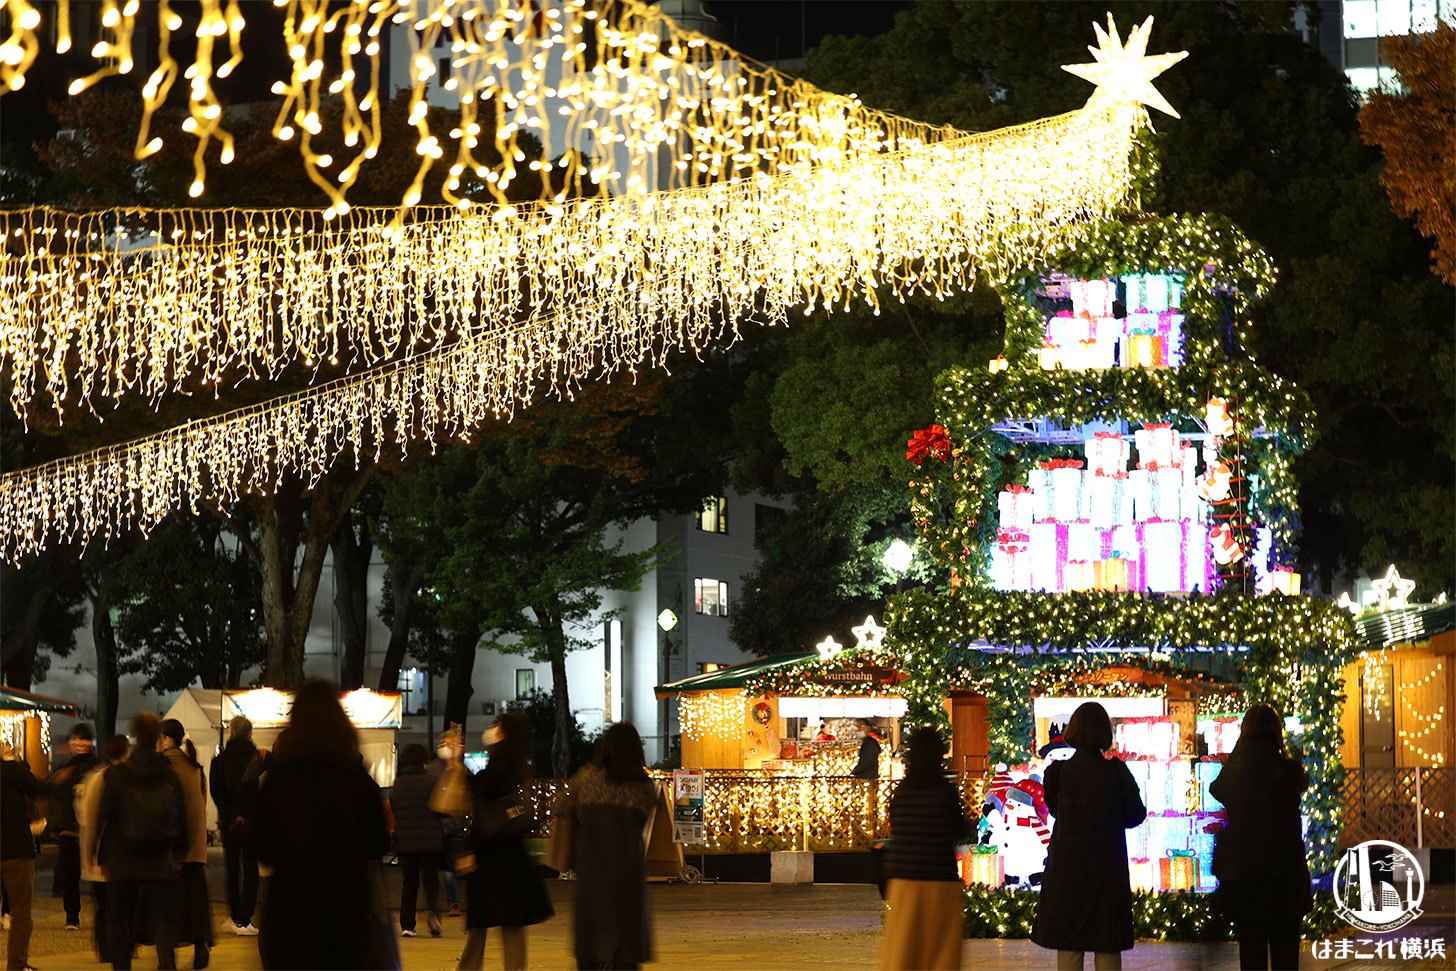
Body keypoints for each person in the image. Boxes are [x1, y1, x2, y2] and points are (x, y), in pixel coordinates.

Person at [250, 680, 391, 970]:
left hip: (291, 911)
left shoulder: (281, 779)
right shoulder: (355, 779)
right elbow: (379, 842)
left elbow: (262, 846)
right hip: (347, 911)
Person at [1032, 701, 1146, 971]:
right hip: (1107, 869)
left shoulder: (1057, 773)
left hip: (1067, 868)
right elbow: (1135, 815)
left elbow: (1057, 811)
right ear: (1104, 733)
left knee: (1070, 943)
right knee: (1106, 941)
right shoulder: (1117, 772)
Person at [1210, 704, 1311, 971]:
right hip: (1285, 877)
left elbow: (1216, 787)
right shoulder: (1289, 772)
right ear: (1277, 733)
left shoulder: (1236, 773)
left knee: (1252, 957)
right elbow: (1302, 783)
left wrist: (1237, 750)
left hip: (1248, 878)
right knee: (1286, 956)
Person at [554, 721, 658, 971]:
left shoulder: (586, 780)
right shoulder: (644, 787)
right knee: (625, 951)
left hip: (591, 873)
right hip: (628, 876)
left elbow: (559, 807)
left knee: (590, 946)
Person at [457, 712, 553, 971]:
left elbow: (480, 802)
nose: (490, 730)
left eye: (495, 726)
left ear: (503, 735)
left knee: (480, 928)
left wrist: (468, 850)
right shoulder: (513, 766)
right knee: (511, 929)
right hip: (512, 860)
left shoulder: (498, 768)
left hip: (490, 860)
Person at [98, 711, 189, 971]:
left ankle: (122, 967)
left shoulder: (118, 774)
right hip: (159, 855)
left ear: (134, 736)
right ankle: (167, 964)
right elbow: (179, 814)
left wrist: (101, 855)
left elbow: (106, 815)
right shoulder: (168, 774)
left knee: (117, 919)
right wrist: (179, 852)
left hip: (123, 854)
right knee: (162, 917)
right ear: (157, 737)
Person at [879, 727, 969, 970]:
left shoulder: (902, 792)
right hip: (939, 878)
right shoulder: (944, 792)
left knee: (904, 951)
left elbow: (896, 827)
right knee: (940, 952)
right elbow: (958, 830)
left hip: (904, 880)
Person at [160, 719, 213, 969]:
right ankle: (201, 943)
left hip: (174, 850)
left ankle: (167, 959)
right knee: (196, 903)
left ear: (164, 738)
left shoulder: (164, 765)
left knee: (169, 906)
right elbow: (201, 804)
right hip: (197, 849)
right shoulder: (195, 767)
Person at [80, 735, 130, 964]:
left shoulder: (94, 776)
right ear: (125, 751)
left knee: (104, 906)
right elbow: (94, 818)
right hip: (108, 852)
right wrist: (92, 851)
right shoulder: (110, 778)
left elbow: (85, 815)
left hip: (100, 850)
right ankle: (111, 948)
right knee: (112, 906)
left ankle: (106, 949)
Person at [46, 723, 99, 933]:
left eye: (84, 738)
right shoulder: (63, 768)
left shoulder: (96, 765)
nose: (79, 743)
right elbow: (53, 794)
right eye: (75, 738)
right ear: (69, 742)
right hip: (69, 829)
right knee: (70, 875)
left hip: (92, 829)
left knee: (97, 873)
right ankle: (72, 915)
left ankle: (102, 913)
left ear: (90, 742)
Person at [210, 716, 260, 936]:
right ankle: (245, 917)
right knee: (251, 869)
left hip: (230, 822)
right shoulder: (257, 757)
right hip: (252, 821)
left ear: (231, 732)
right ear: (249, 733)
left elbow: (217, 791)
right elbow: (255, 790)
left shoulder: (219, 761)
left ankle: (234, 914)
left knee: (231, 869)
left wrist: (230, 815)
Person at [389, 744, 444, 939]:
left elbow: (395, 808)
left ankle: (407, 925)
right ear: (423, 761)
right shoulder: (431, 782)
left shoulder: (398, 784)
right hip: (430, 841)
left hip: (405, 842)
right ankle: (433, 913)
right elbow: (441, 809)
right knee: (430, 880)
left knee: (409, 882)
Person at [2, 738, 46, 971]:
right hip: (15, 851)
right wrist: (11, 761)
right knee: (20, 913)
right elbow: (38, 787)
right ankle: (16, 966)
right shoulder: (11, 771)